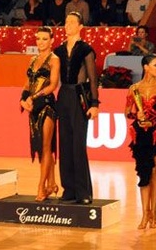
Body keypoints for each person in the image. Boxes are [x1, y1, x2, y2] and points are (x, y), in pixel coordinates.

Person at [55, 11, 99, 205]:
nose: (68, 25)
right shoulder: (59, 50)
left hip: (79, 95)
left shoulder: (86, 50)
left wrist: (95, 104)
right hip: (63, 95)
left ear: (80, 26)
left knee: (78, 145)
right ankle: (69, 189)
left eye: (72, 22)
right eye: (66, 22)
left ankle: (83, 191)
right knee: (64, 143)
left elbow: (93, 78)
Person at [126, 54, 156, 229]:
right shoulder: (134, 88)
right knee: (143, 173)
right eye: (155, 64)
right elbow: (126, 112)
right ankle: (145, 213)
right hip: (139, 133)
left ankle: (153, 213)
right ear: (146, 67)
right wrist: (135, 114)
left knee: (155, 172)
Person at [20, 26, 60, 201]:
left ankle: (41, 187)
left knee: (45, 147)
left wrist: (34, 97)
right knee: (40, 147)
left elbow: (53, 85)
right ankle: (51, 183)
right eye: (38, 39)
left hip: (47, 105)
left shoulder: (54, 59)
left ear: (51, 41)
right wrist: (22, 99)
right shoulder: (33, 59)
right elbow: (27, 83)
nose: (41, 42)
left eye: (45, 39)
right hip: (32, 107)